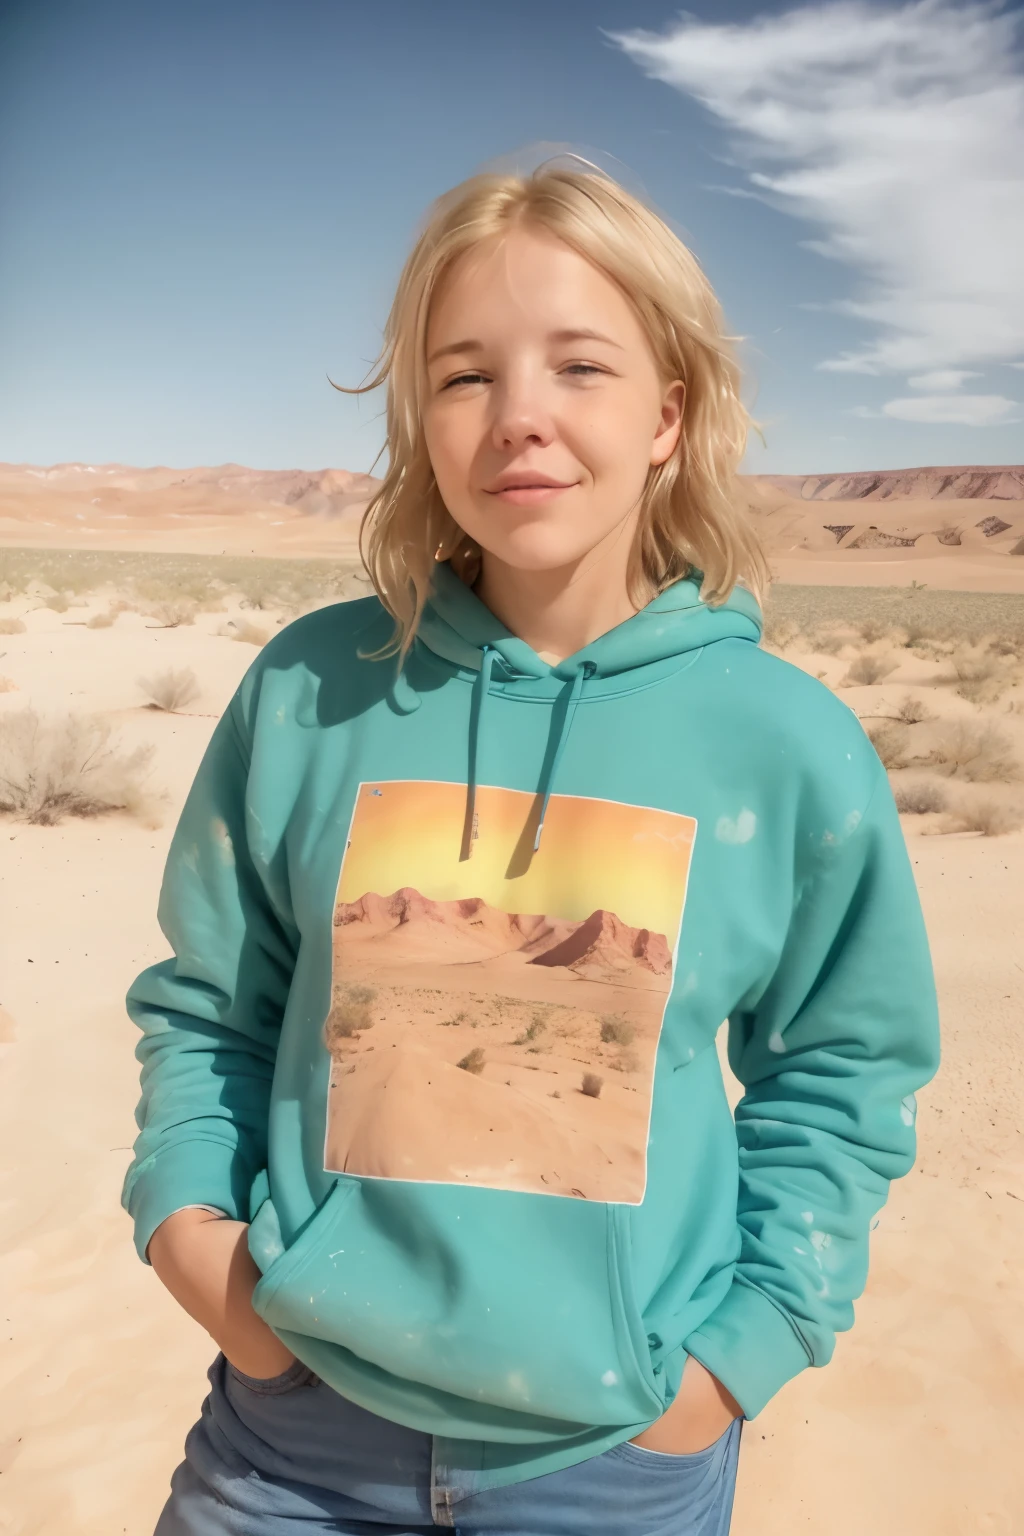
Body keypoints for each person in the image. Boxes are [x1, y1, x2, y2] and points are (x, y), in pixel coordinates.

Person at [122, 156, 941, 1536]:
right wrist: (193, 1234)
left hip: (615, 1464)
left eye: (579, 368)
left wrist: (737, 1360)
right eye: (464, 376)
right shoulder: (317, 689)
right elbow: (212, 1004)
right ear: (422, 421)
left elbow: (846, 1073)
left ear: (671, 414)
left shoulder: (783, 743)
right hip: (293, 1439)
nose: (520, 420)